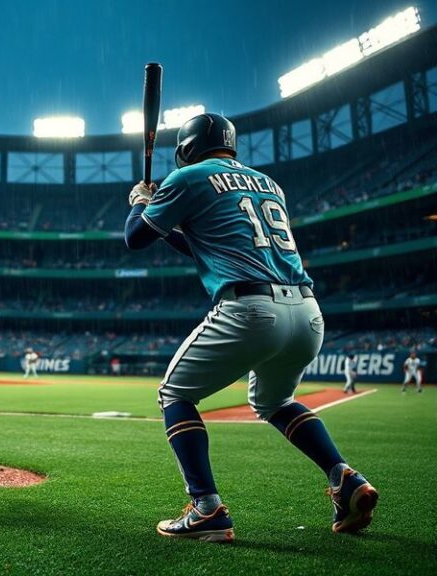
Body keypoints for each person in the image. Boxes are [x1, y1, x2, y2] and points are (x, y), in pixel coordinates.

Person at [124, 113, 378, 541]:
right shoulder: (268, 183)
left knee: (174, 394)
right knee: (276, 401)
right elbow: (207, 244)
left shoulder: (187, 177)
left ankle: (206, 508)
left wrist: (140, 202)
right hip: (307, 312)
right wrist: (163, 219)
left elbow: (134, 237)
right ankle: (344, 478)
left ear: (186, 148)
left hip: (251, 308)